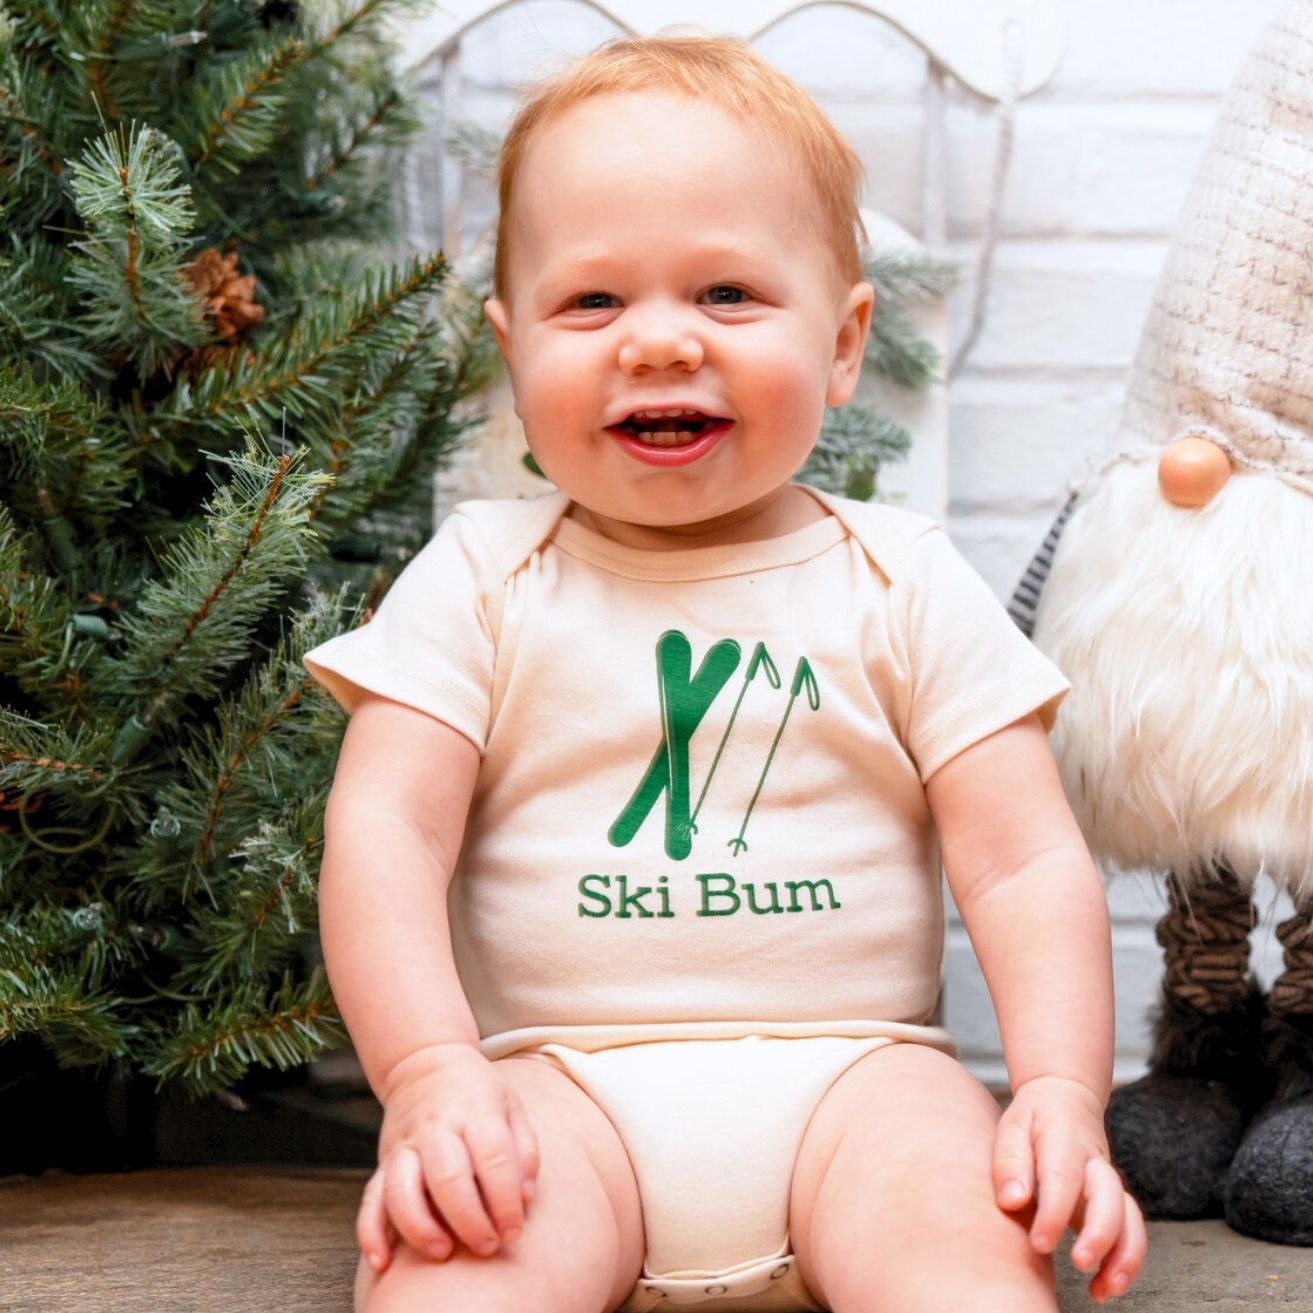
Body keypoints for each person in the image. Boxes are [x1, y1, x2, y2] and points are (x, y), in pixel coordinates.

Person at [303, 32, 1146, 1313]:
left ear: (844, 343)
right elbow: (384, 834)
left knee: (966, 1245)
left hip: (860, 1092)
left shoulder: (902, 578)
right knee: (451, 1273)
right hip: (553, 1099)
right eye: (592, 302)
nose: (656, 343)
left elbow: (1021, 860)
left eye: (727, 294)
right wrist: (427, 1072)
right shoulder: (478, 576)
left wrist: (1058, 1092)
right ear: (510, 350)